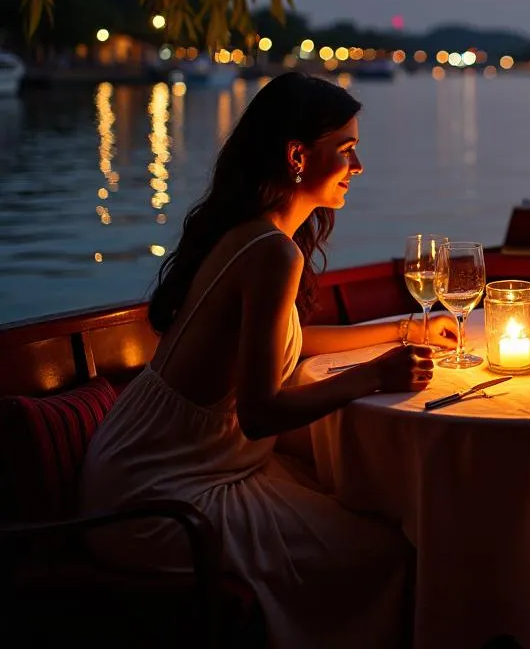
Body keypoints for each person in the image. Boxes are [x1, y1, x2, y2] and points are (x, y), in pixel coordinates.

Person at [78, 70, 457, 649]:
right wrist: (373, 376)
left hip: (160, 466)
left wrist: (405, 329)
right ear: (297, 154)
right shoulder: (271, 252)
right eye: (347, 151)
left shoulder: (257, 237)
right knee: (383, 553)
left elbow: (292, 343)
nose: (358, 168)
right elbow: (259, 412)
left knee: (351, 495)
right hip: (158, 500)